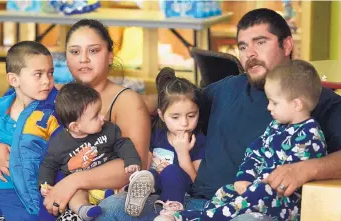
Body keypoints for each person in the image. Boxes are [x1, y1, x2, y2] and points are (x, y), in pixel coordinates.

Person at [94, 8, 341, 221]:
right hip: (192, 202)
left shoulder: (314, 98)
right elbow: (172, 103)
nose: (250, 53)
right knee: (111, 208)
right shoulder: (229, 87)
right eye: (243, 46)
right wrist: (114, 107)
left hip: (253, 210)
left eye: (260, 42)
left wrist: (306, 169)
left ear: (287, 45)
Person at [0, 19, 151, 221]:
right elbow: (4, 120)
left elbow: (133, 166)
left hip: (101, 197)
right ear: (65, 58)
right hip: (43, 192)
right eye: (75, 52)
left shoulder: (127, 101)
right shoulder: (50, 92)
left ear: (110, 56)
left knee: (114, 208)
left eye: (93, 51)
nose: (83, 59)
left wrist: (73, 182)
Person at [175, 60, 326, 221]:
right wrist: (244, 178)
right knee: (225, 191)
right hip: (258, 190)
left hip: (283, 202)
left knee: (257, 194)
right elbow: (255, 152)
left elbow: (287, 177)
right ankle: (211, 213)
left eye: (274, 103)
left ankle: (204, 218)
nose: (269, 107)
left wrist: (257, 186)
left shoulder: (311, 135)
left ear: (296, 105)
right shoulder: (276, 126)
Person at [0, 41, 61, 220]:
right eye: (38, 74)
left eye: (50, 73)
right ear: (14, 79)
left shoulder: (56, 111)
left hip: (31, 196)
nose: (47, 81)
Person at [39, 82, 142, 221]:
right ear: (75, 126)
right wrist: (45, 184)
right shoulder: (59, 143)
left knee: (123, 185)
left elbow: (123, 143)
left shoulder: (108, 130)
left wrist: (131, 160)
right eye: (95, 116)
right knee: (76, 194)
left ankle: (131, 194)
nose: (102, 117)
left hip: (105, 182)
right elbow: (48, 164)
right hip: (83, 188)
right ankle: (84, 210)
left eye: (100, 111)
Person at [125, 68, 206, 220]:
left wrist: (182, 153)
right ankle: (134, 193)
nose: (184, 123)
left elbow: (196, 182)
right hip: (157, 185)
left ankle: (171, 211)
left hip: (183, 189)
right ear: (162, 115)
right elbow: (147, 161)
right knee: (148, 175)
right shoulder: (157, 134)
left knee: (171, 171)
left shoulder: (198, 140)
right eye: (175, 117)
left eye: (191, 115)